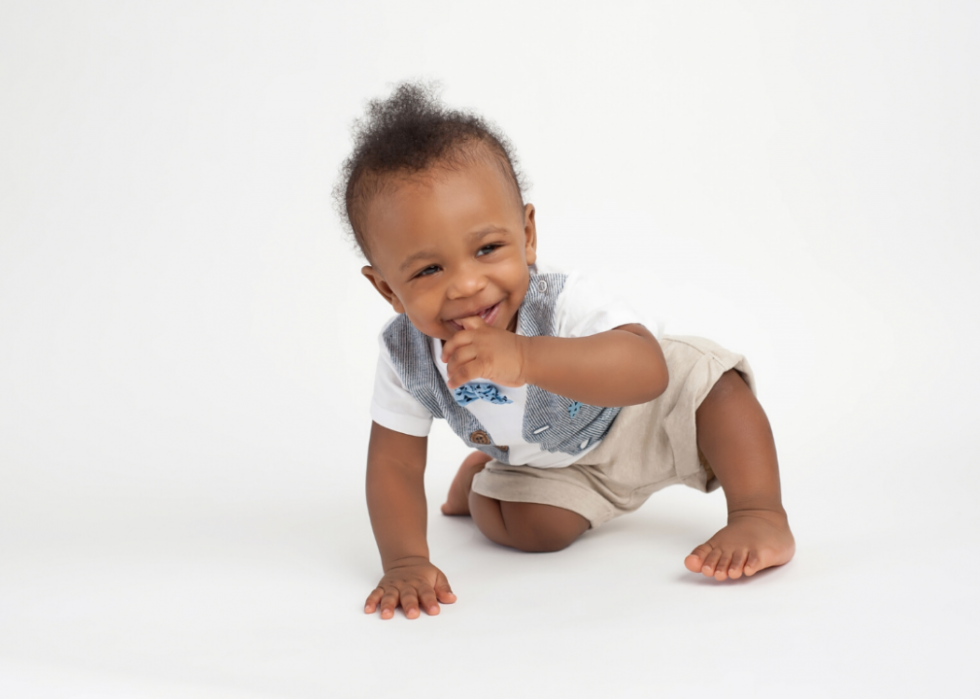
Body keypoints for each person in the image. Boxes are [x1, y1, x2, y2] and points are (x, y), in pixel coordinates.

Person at [336, 82, 795, 621]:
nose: (466, 285)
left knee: (717, 388)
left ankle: (760, 513)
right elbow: (393, 463)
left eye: (488, 248)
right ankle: (486, 480)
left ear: (527, 235)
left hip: (644, 414)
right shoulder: (406, 358)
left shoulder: (564, 301)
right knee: (529, 530)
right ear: (388, 289)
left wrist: (524, 357)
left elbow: (646, 371)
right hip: (557, 465)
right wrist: (406, 561)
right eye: (429, 270)